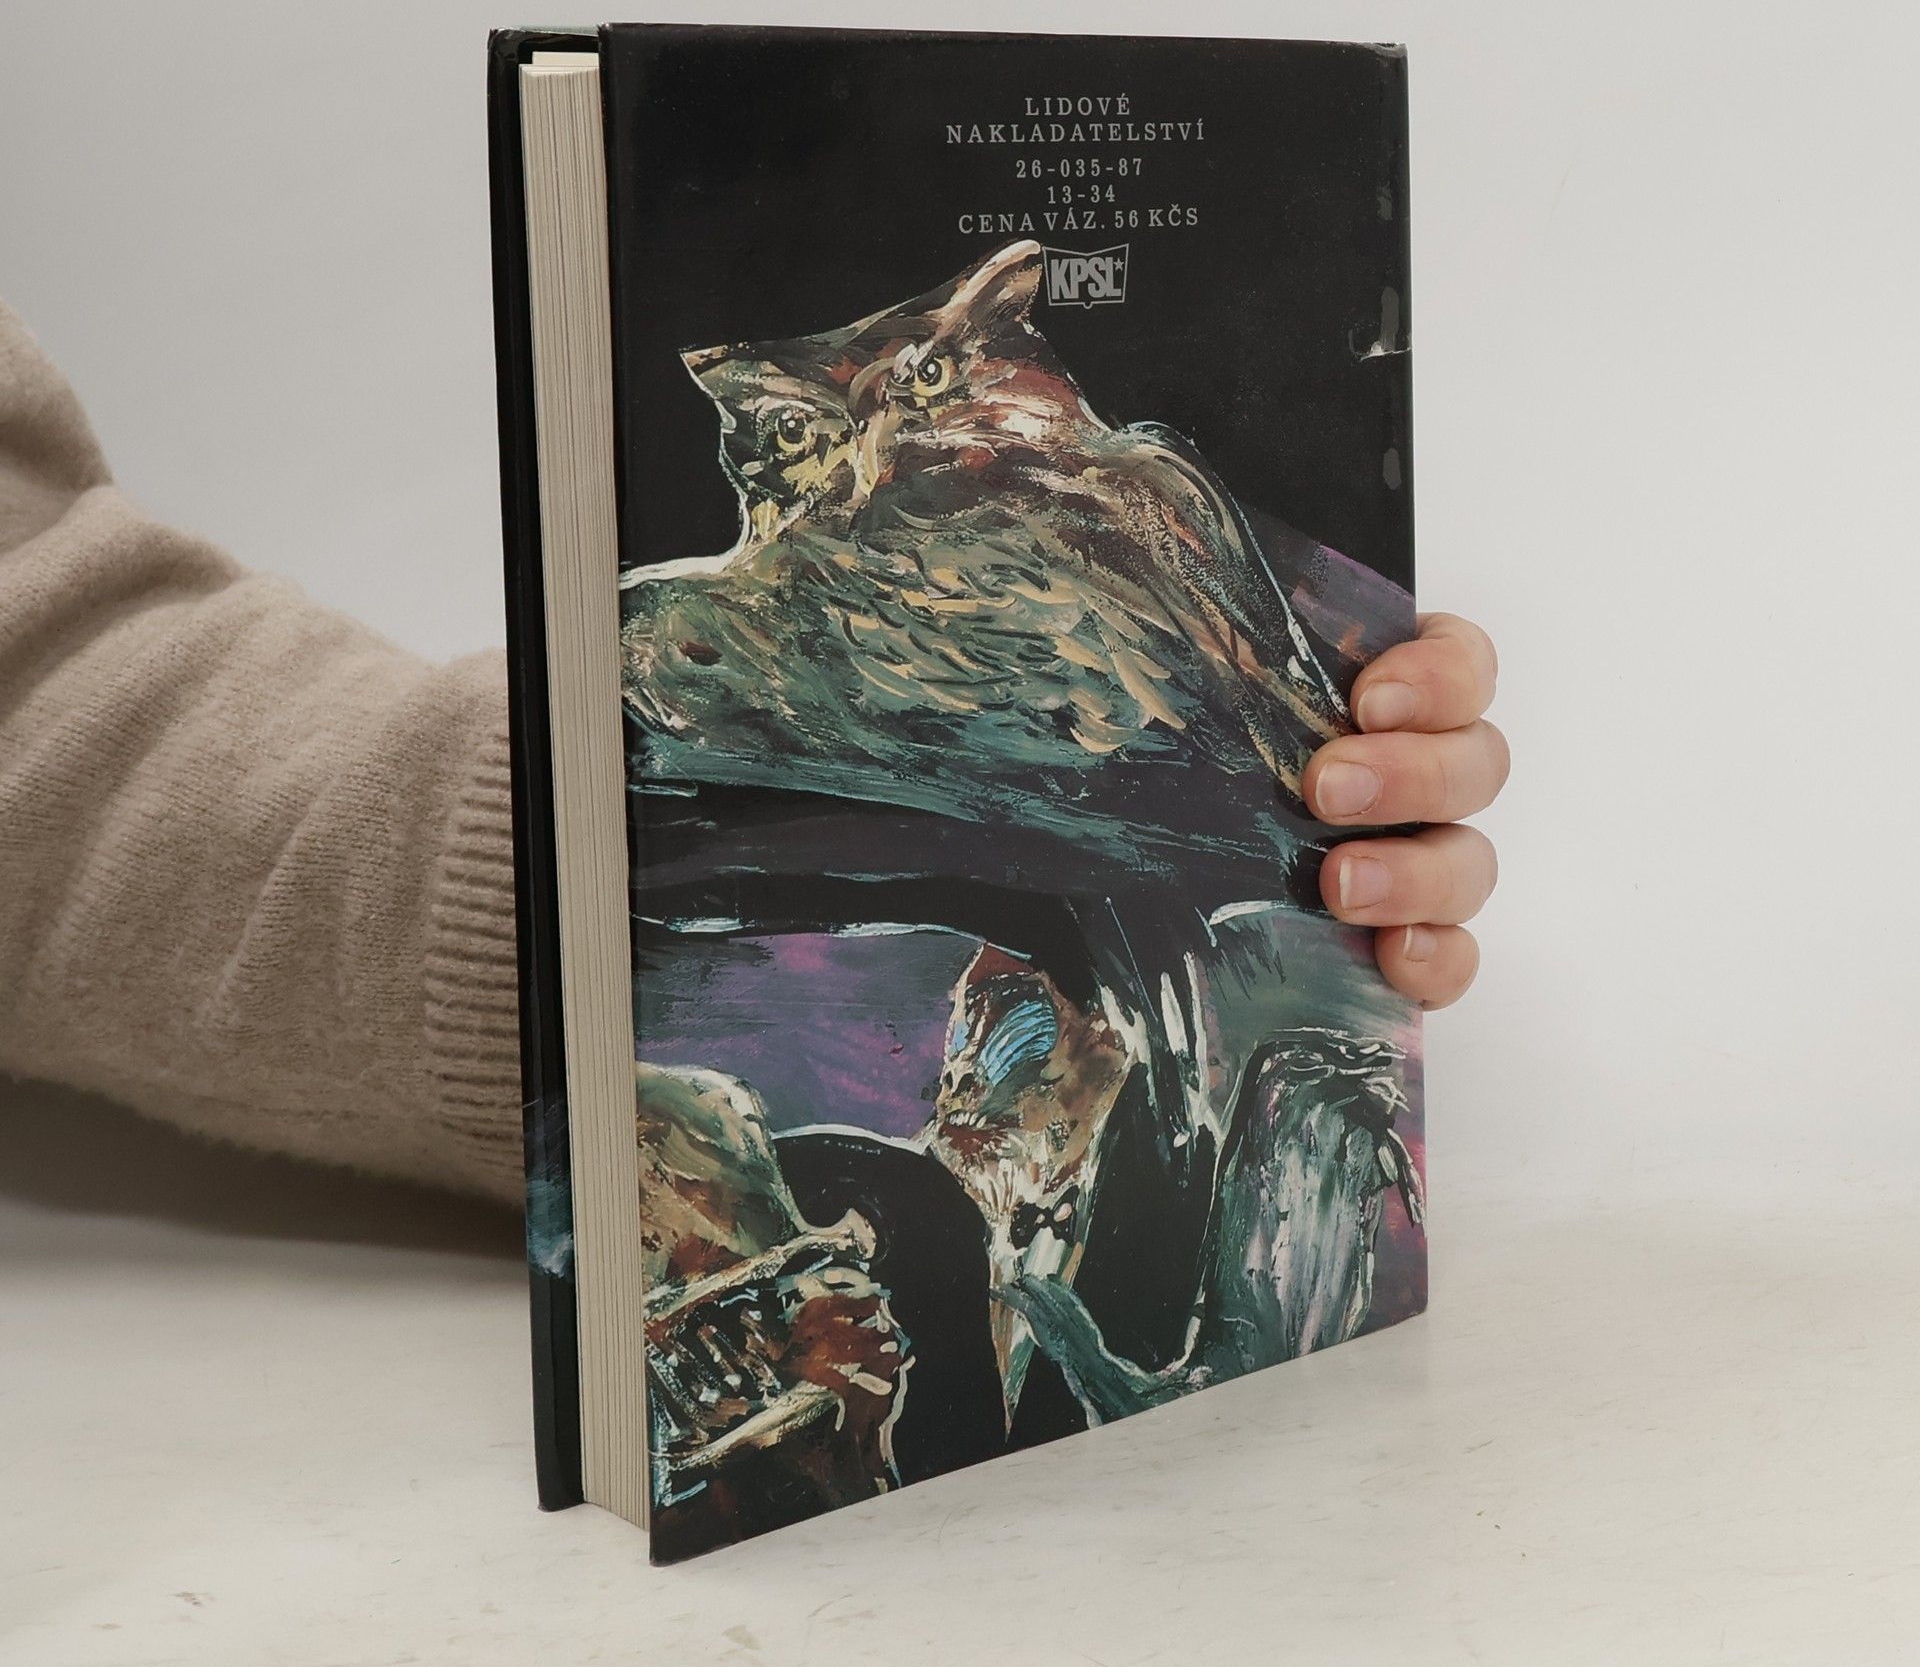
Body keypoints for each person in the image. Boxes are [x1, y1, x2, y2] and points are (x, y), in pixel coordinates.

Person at [0, 299, 1509, 1203]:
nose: (858, 464)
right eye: (797, 442)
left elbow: (44, 655)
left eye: (919, 401)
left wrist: (1325, 771)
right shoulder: (779, 604)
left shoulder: (1127, 489)